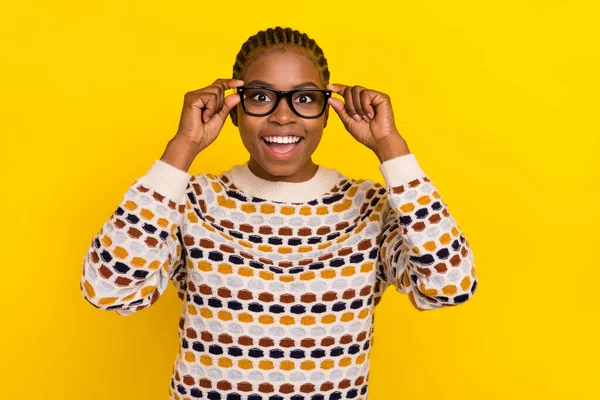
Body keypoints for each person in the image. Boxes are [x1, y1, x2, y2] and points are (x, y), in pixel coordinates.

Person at [80, 26, 478, 400]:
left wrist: (392, 148)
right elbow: (110, 290)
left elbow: (448, 286)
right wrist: (182, 148)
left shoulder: (371, 208)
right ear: (234, 108)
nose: (282, 116)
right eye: (261, 96)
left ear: (327, 113)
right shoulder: (191, 201)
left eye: (305, 99)